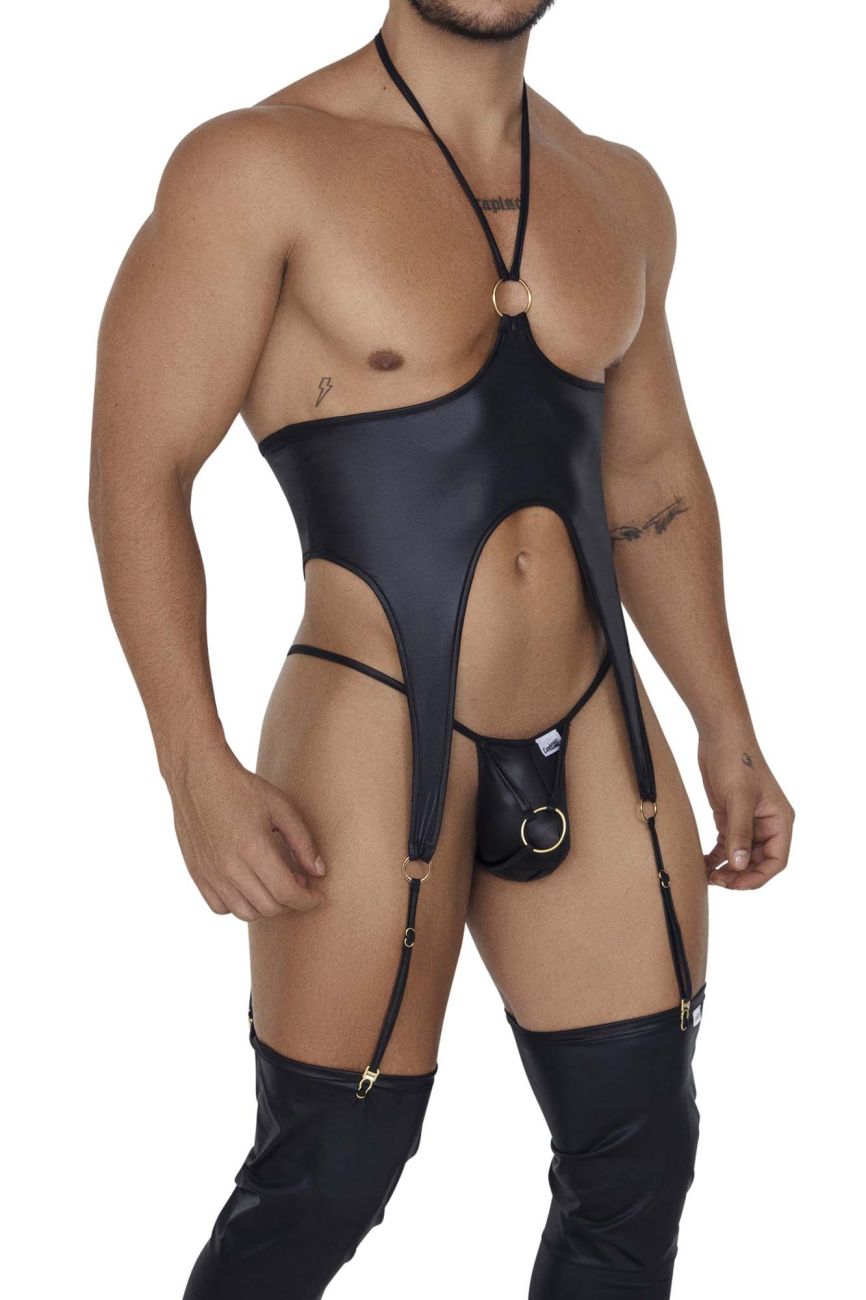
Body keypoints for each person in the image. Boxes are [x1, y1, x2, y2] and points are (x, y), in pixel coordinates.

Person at [89, 1, 795, 1295]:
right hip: (373, 718)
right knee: (331, 1169)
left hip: (594, 718)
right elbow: (140, 469)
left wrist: (727, 726)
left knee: (637, 1162)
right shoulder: (260, 162)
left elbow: (649, 476)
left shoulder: (617, 188)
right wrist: (192, 765)